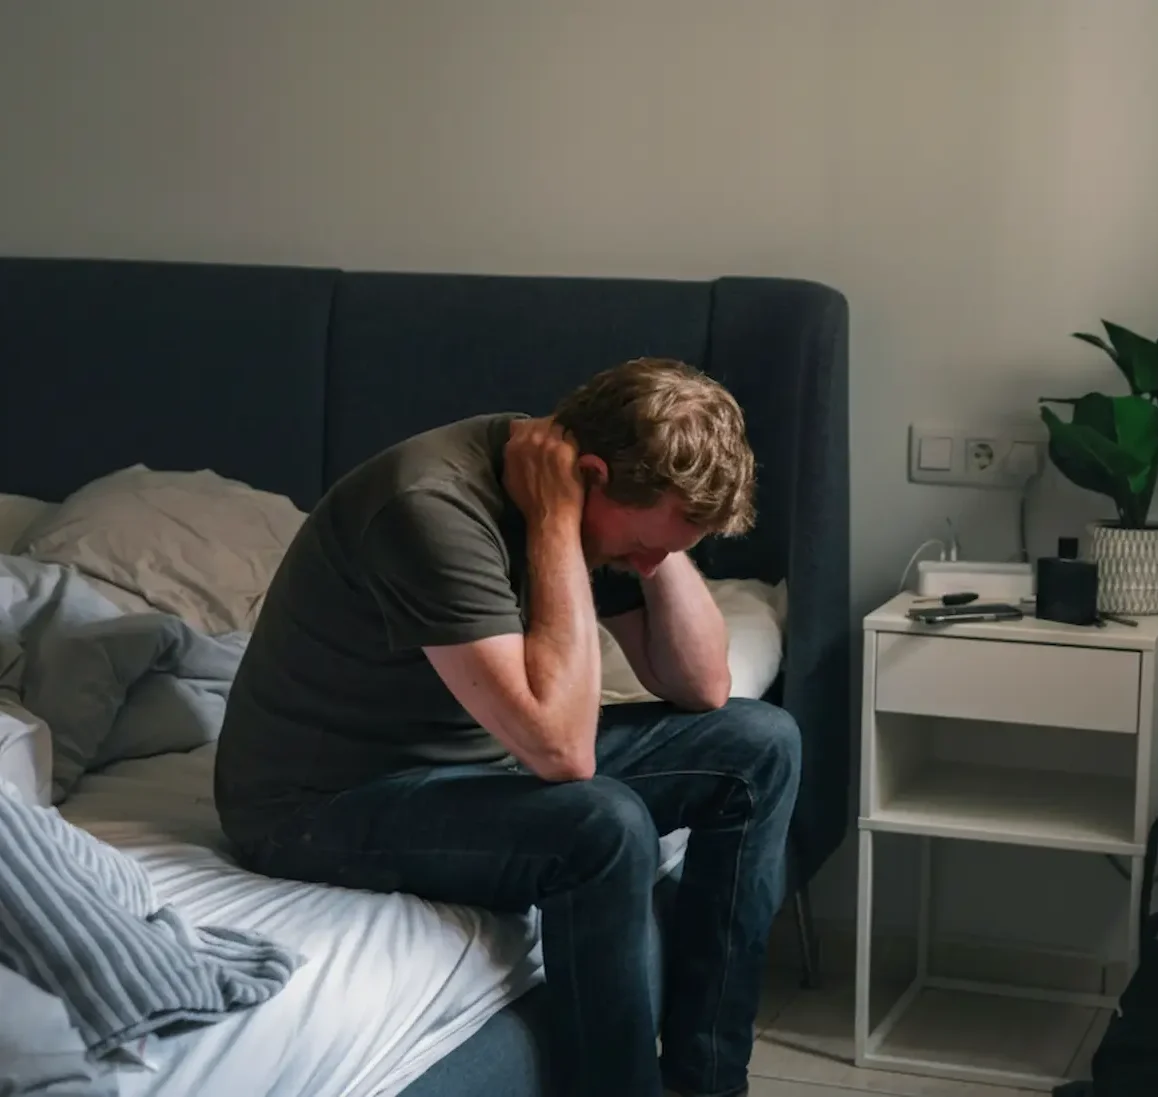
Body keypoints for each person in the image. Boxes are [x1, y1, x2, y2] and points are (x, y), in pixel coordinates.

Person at [213, 357, 799, 1097]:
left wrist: (659, 555)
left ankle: (707, 1084)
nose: (648, 560)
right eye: (649, 542)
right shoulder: (429, 506)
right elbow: (562, 751)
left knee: (760, 745)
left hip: (474, 757)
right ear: (588, 474)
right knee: (602, 823)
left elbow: (704, 685)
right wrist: (557, 524)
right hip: (319, 803)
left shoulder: (601, 501)